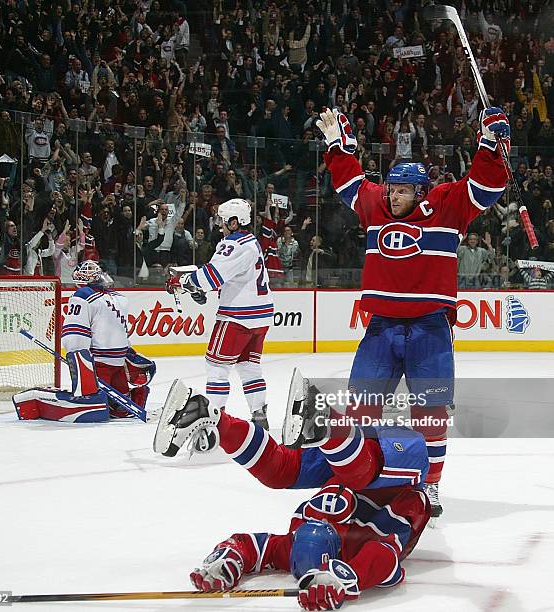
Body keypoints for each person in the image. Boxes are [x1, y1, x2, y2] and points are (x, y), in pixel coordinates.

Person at [313, 107, 510, 518]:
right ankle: (357, 477)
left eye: (401, 191)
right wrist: (338, 146)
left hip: (429, 330)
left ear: (420, 192)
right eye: (389, 190)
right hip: (381, 329)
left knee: (431, 412)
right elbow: (349, 181)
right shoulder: (374, 207)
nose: (391, 196)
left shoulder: (448, 207)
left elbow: (485, 187)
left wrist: (490, 143)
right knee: (361, 405)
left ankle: (431, 486)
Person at [152, 371, 431, 611]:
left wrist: (228, 558)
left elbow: (254, 546)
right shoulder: (364, 546)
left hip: (360, 457)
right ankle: (218, 417)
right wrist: (348, 578)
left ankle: (215, 419)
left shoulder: (296, 543)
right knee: (320, 470)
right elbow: (384, 558)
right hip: (396, 478)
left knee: (286, 469)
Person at [166, 199, 272, 432]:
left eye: (224, 221)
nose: (220, 225)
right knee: (249, 366)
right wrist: (198, 286)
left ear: (235, 222)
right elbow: (226, 276)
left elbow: (212, 276)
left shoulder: (233, 244)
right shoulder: (251, 242)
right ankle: (259, 414)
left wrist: (183, 281)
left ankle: (214, 419)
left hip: (237, 316)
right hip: (260, 315)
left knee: (216, 366)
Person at [60, 261, 156, 418]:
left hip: (99, 364)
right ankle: (136, 396)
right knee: (121, 407)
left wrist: (76, 357)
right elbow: (121, 333)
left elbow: (76, 334)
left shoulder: (82, 296)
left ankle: (105, 402)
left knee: (94, 403)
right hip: (118, 362)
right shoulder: (120, 298)